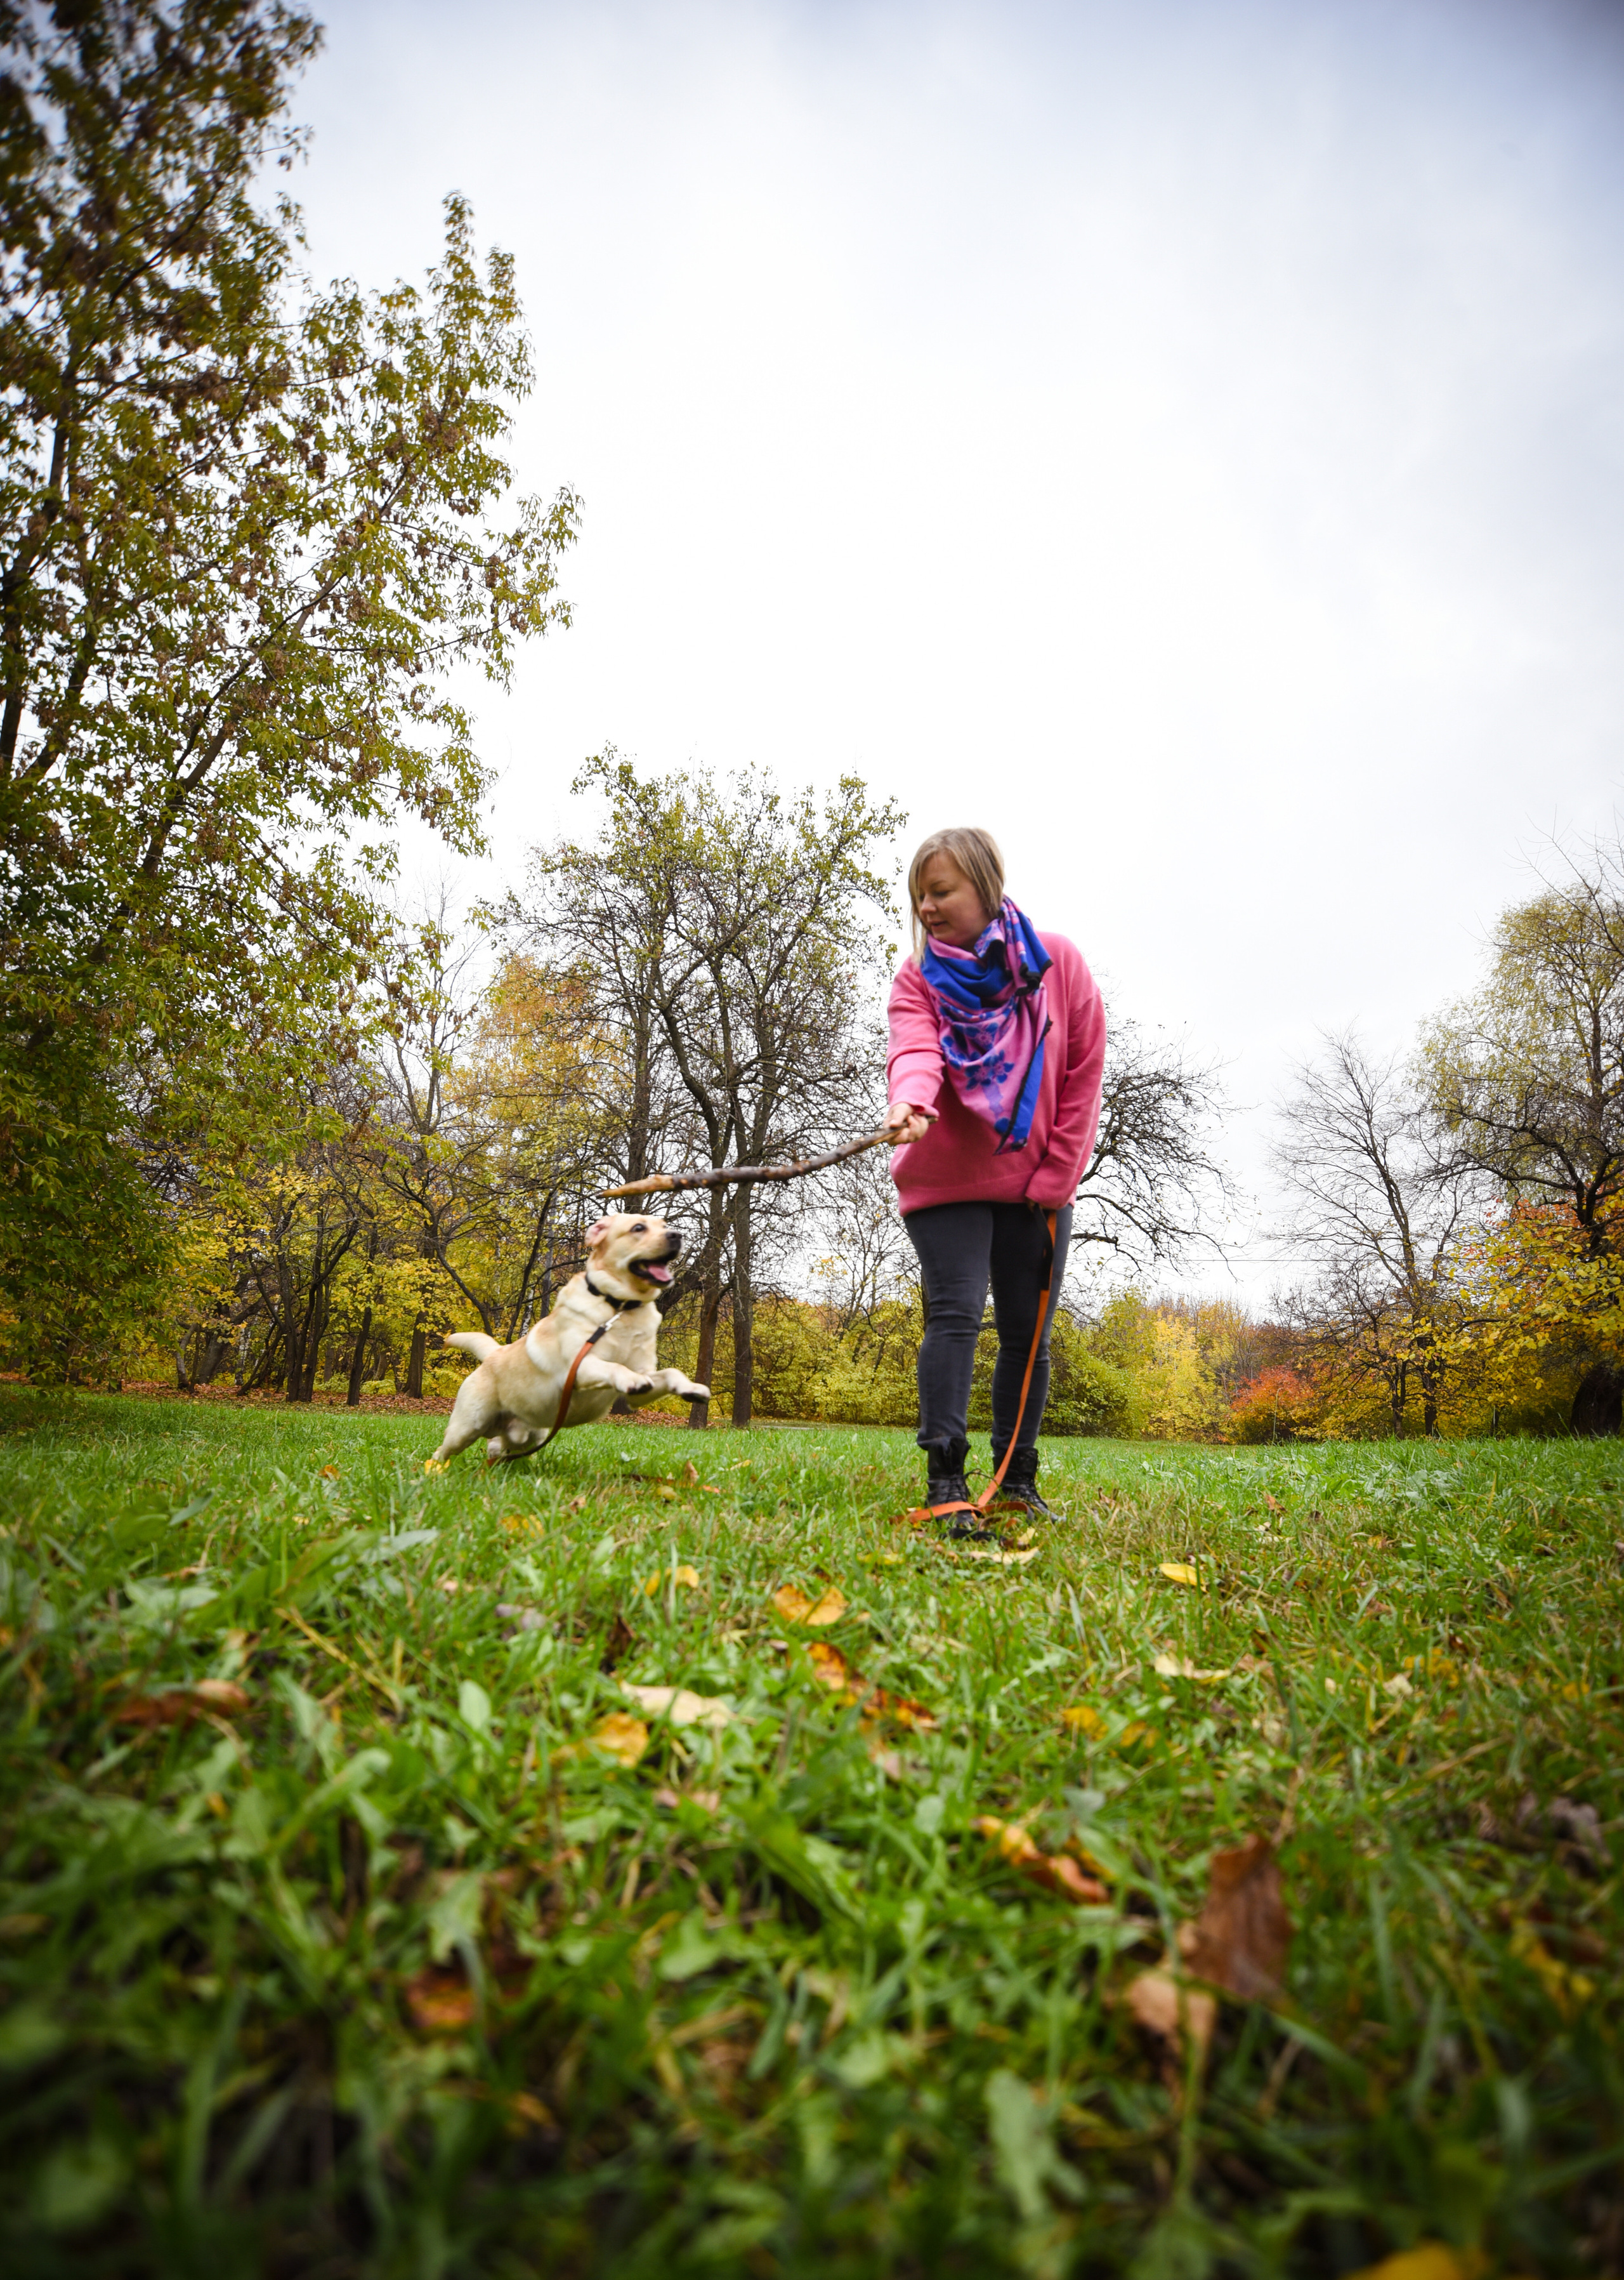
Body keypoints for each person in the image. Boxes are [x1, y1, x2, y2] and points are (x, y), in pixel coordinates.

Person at [882, 827, 1106, 1528]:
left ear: (984, 884)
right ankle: (946, 1481)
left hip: (1036, 1180)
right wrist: (911, 1100)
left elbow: (1082, 1072)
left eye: (941, 890)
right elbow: (915, 1048)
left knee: (1025, 1333)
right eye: (919, 893)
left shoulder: (1056, 964)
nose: (926, 906)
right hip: (946, 1173)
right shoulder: (917, 978)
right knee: (953, 1317)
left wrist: (1058, 1174)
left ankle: (1015, 1479)